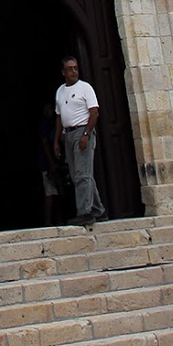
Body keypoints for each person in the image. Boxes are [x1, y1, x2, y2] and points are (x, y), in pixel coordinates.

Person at [53, 55, 106, 227]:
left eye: (75, 68)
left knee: (82, 175)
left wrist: (86, 134)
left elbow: (94, 113)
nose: (74, 71)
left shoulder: (85, 88)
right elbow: (59, 117)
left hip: (83, 132)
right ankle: (99, 211)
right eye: (70, 69)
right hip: (68, 135)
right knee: (80, 176)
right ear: (63, 72)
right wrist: (56, 140)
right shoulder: (60, 91)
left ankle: (85, 213)